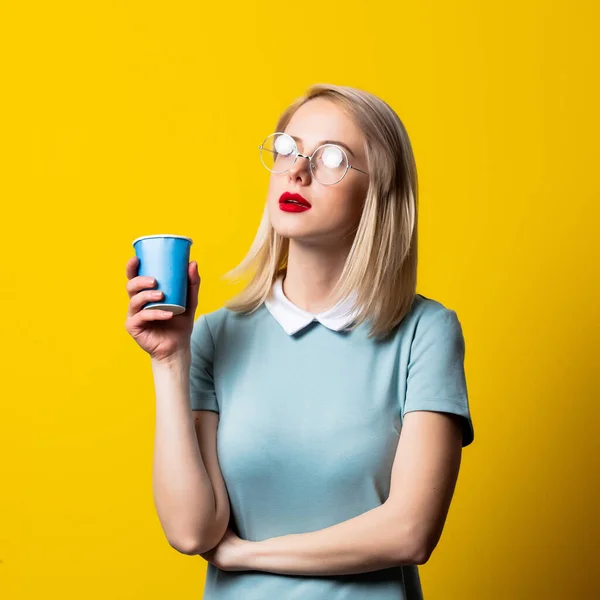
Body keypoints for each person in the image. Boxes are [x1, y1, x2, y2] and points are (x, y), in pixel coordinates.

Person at [124, 83, 475, 600]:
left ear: (378, 192)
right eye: (287, 148)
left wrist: (248, 555)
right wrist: (170, 360)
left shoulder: (425, 332)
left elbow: (410, 531)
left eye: (332, 158)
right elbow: (192, 531)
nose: (297, 170)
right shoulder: (216, 335)